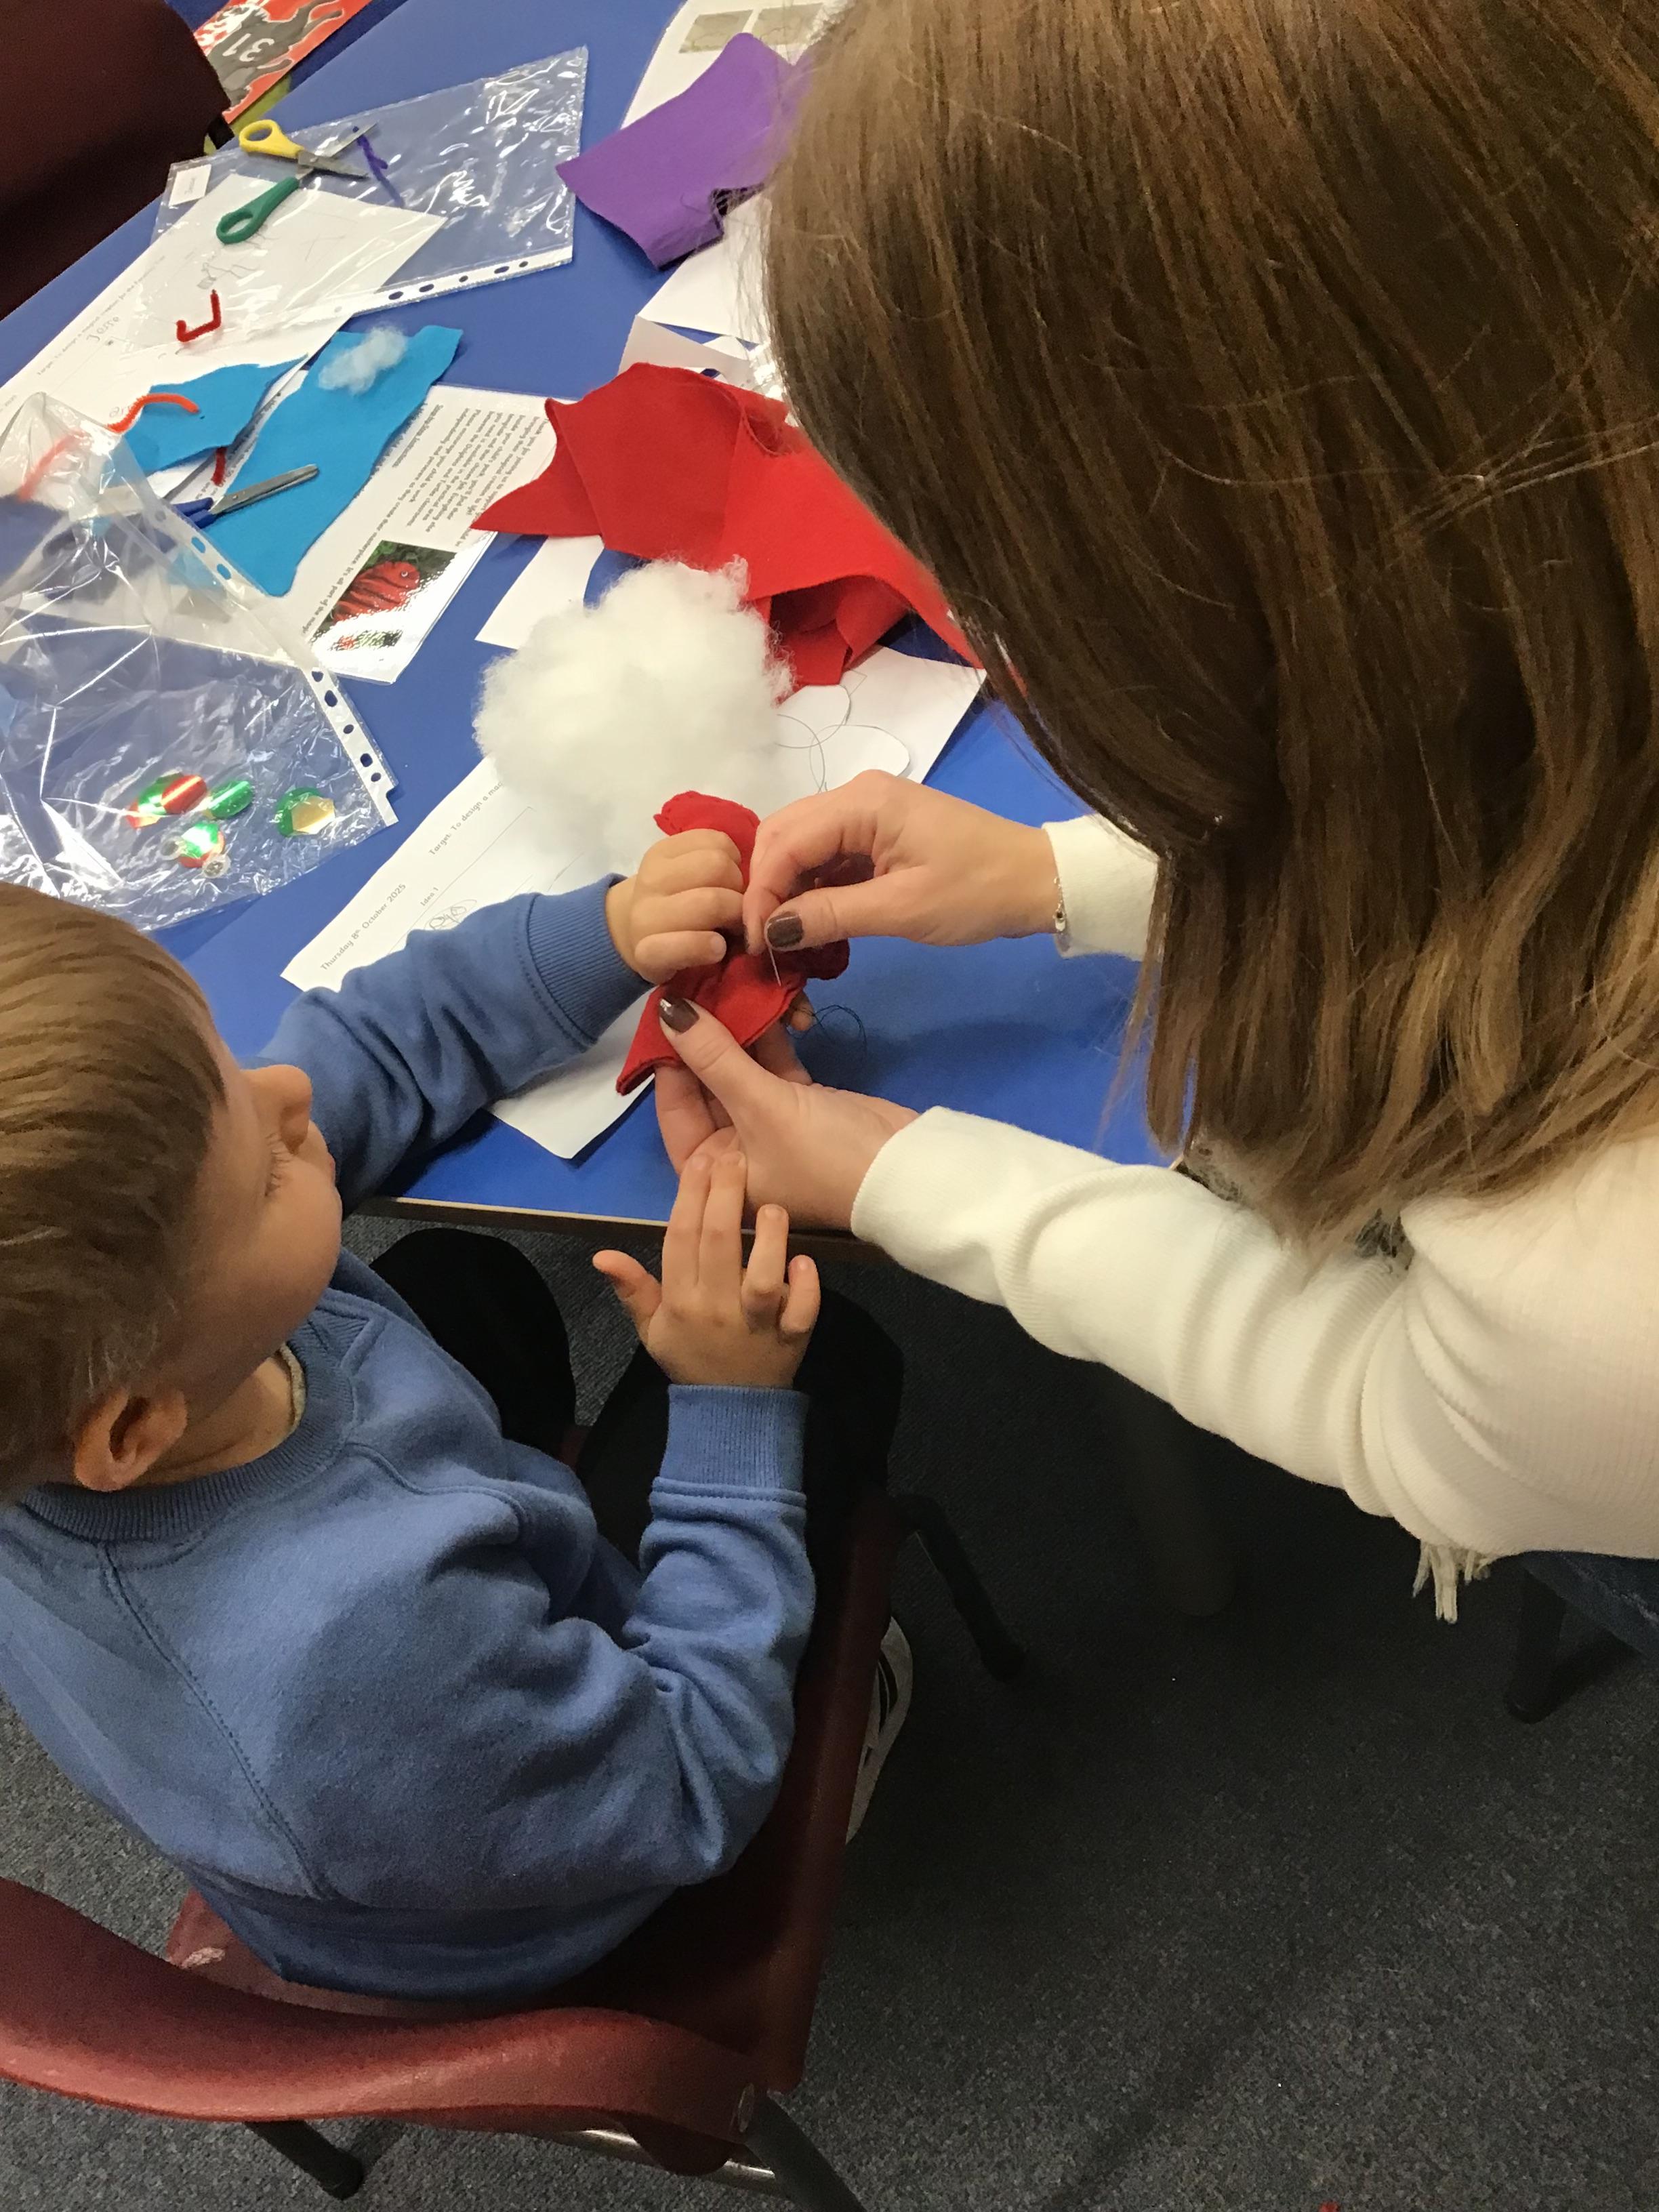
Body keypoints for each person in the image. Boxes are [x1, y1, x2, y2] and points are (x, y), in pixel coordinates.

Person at [648, 0, 1659, 1614]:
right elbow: (1488, 803)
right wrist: (1057, 879)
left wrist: (908, 1174)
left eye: (1001, 582)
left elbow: (1393, 1408)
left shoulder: (1606, 1302)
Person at [0, 853, 902, 2005]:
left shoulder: (93, 1360)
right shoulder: (359, 1654)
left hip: (408, 1753)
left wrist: (610, 933)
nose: (288, 1094)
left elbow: (365, 1052)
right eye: (265, 1175)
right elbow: (692, 1781)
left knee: (460, 1281)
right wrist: (731, 1407)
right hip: (594, 1865)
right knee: (826, 1363)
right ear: (132, 1426)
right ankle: (837, 1729)